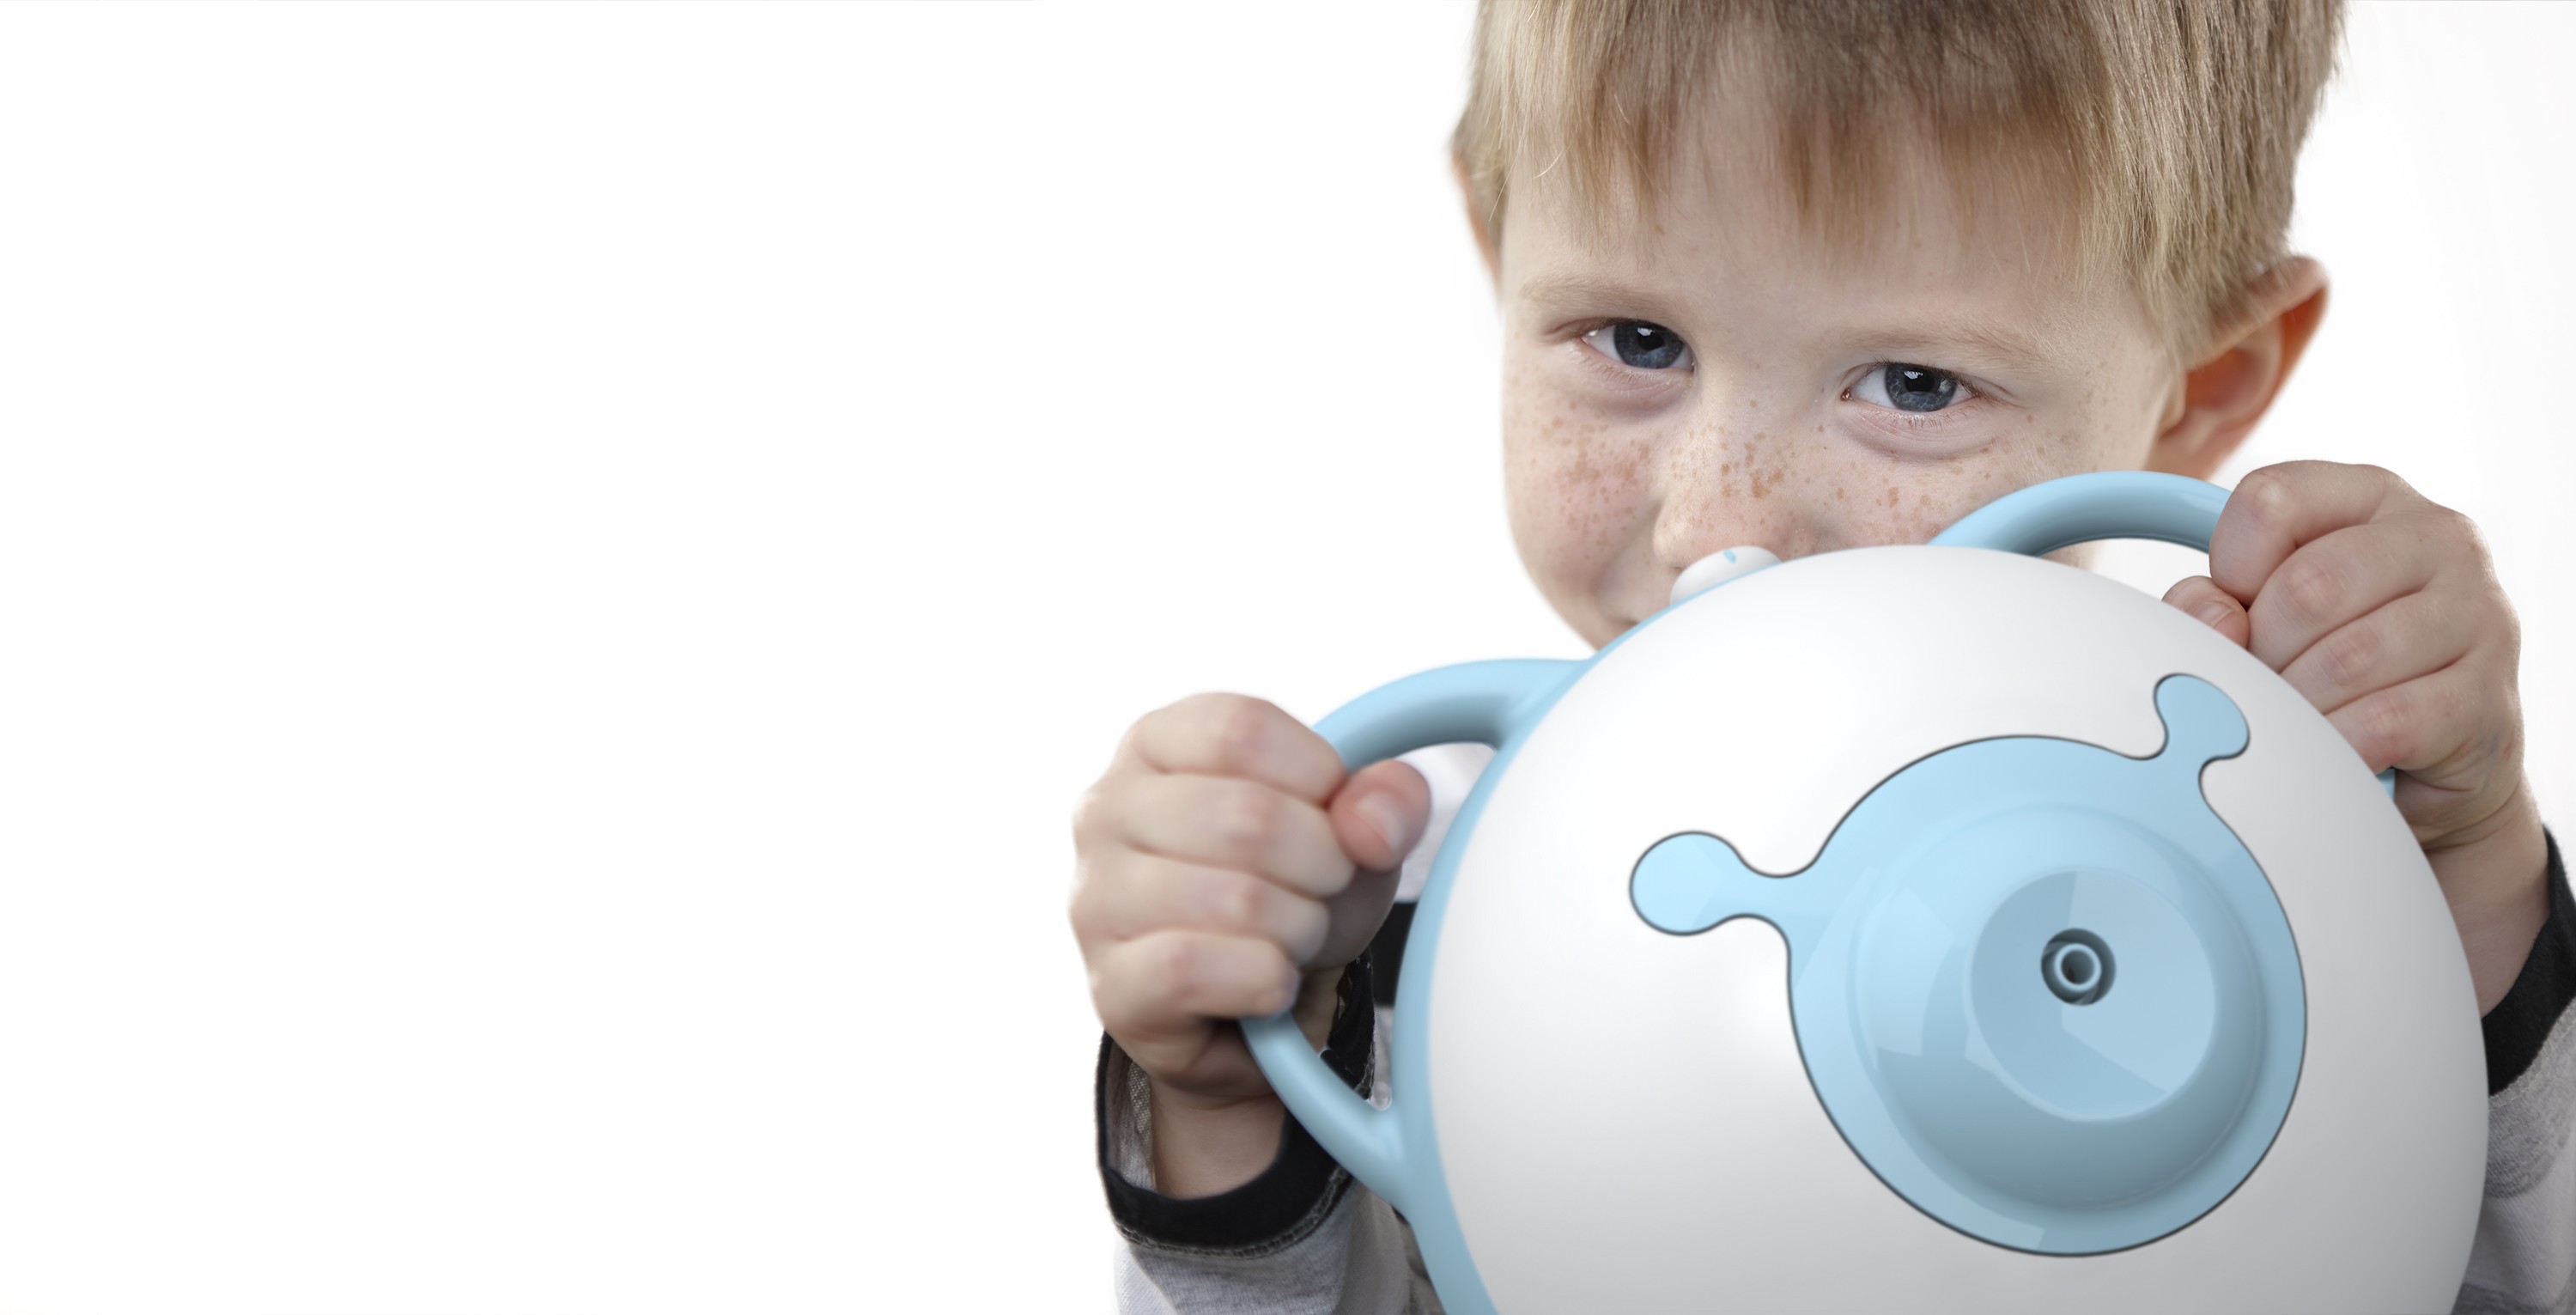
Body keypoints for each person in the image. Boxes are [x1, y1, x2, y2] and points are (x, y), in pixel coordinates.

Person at [1066, 1, 2573, 1309]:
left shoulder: (2289, 848)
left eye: (1913, 384)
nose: (1719, 519)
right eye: (1635, 341)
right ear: (1497, 253)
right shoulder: (1388, 906)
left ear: (2204, 389)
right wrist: (1227, 1102)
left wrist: (2467, 868)